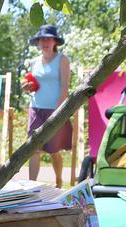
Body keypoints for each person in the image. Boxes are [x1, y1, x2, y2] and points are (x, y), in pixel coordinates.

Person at [23, 24, 73, 188]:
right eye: (42, 39)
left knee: (53, 151)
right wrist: (28, 87)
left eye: (48, 39)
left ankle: (58, 180)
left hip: (55, 109)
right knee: (33, 149)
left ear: (55, 42)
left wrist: (58, 112)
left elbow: (65, 86)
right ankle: (31, 186)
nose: (45, 42)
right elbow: (34, 85)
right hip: (36, 108)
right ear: (38, 42)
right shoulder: (34, 62)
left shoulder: (62, 60)